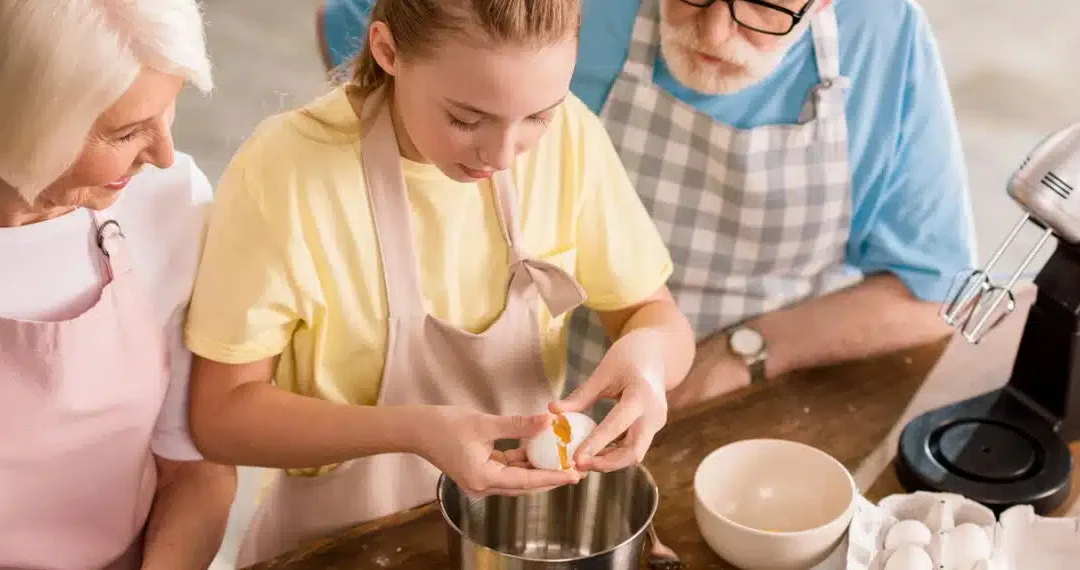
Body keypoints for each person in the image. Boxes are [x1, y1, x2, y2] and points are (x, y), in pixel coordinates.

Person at [183, 0, 695, 564]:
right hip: (341, 544)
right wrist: (415, 430)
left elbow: (653, 314)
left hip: (512, 540)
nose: (502, 155)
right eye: (466, 119)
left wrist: (648, 363)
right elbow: (221, 417)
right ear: (387, 50)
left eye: (537, 117)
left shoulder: (571, 136)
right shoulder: (286, 175)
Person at [317, 0, 978, 409]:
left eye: (768, 7)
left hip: (744, 410)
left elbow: (934, 291)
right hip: (522, 383)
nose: (717, 33)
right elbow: (355, 28)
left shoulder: (886, 37)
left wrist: (741, 353)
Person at [0, 1, 237, 568]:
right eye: (126, 132)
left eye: (169, 110)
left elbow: (196, 469)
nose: (163, 154)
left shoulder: (168, 203)